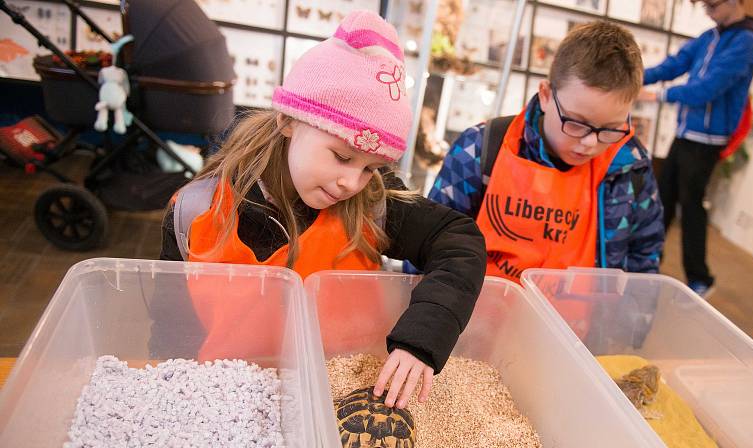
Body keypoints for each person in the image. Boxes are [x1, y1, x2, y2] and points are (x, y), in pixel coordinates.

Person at [159, 11, 486, 410]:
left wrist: (423, 339)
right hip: (229, 402)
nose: (352, 182)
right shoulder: (194, 211)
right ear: (288, 121)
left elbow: (459, 240)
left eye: (371, 167)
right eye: (341, 156)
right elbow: (169, 329)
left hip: (342, 399)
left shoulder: (374, 204)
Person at [428, 22, 664, 282]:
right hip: (482, 315)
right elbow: (430, 243)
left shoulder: (632, 165)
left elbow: (645, 261)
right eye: (576, 122)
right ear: (546, 95)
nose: (590, 143)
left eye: (610, 129)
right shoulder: (480, 149)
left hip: (581, 320)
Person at [640, 0, 753, 298]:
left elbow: (710, 86)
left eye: (712, 5)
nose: (707, 12)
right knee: (663, 198)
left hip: (707, 141)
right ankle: (647, 262)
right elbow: (675, 64)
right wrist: (633, 76)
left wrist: (658, 95)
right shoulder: (710, 36)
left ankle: (700, 277)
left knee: (690, 206)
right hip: (686, 134)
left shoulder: (745, 42)